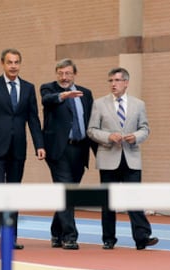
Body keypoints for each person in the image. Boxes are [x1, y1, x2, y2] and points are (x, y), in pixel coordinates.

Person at [0, 48, 45, 250]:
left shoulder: (29, 88)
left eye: (16, 62)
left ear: (20, 64)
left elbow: (33, 118)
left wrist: (39, 145)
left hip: (18, 148)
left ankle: (10, 237)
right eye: (9, 62)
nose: (13, 66)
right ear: (3, 64)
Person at [87, 67, 159, 250]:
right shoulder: (99, 104)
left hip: (131, 157)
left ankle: (142, 237)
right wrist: (108, 137)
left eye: (117, 80)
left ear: (126, 82)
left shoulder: (138, 104)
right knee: (108, 201)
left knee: (134, 199)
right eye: (110, 80)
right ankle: (108, 239)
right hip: (108, 158)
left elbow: (145, 128)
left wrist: (136, 136)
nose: (113, 84)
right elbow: (92, 130)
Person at [40, 58, 95, 250]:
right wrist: (63, 95)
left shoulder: (86, 94)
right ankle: (70, 236)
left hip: (80, 149)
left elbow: (90, 123)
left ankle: (56, 232)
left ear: (74, 75)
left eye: (68, 74)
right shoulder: (48, 89)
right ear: (56, 74)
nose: (64, 77)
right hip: (58, 150)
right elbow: (47, 100)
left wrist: (97, 153)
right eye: (61, 73)